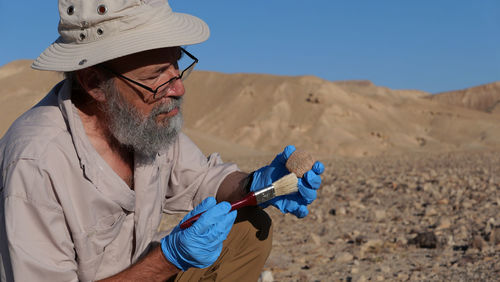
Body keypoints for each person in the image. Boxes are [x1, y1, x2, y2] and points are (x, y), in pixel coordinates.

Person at [0, 0, 324, 281]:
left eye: (176, 65)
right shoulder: (36, 162)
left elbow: (203, 181)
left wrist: (259, 184)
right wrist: (169, 259)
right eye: (156, 76)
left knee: (246, 230)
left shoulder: (140, 123)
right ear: (94, 82)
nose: (178, 89)